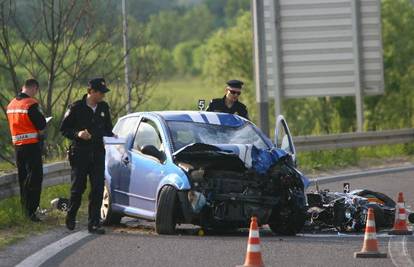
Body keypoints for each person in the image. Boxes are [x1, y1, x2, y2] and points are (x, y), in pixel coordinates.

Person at [60, 78, 114, 234]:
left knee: (97, 188)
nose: (102, 96)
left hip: (98, 153)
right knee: (78, 188)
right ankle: (71, 214)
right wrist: (78, 134)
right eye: (100, 93)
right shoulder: (76, 107)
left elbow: (107, 129)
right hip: (80, 153)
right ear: (91, 92)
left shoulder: (104, 107)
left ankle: (94, 223)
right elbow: (64, 129)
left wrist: (113, 136)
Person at [6, 79, 46, 222]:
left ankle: (25, 210)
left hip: (18, 146)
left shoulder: (11, 104)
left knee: (23, 178)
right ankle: (32, 212)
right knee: (35, 178)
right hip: (31, 146)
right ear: (34, 88)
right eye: (36, 90)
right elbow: (41, 123)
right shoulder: (30, 104)